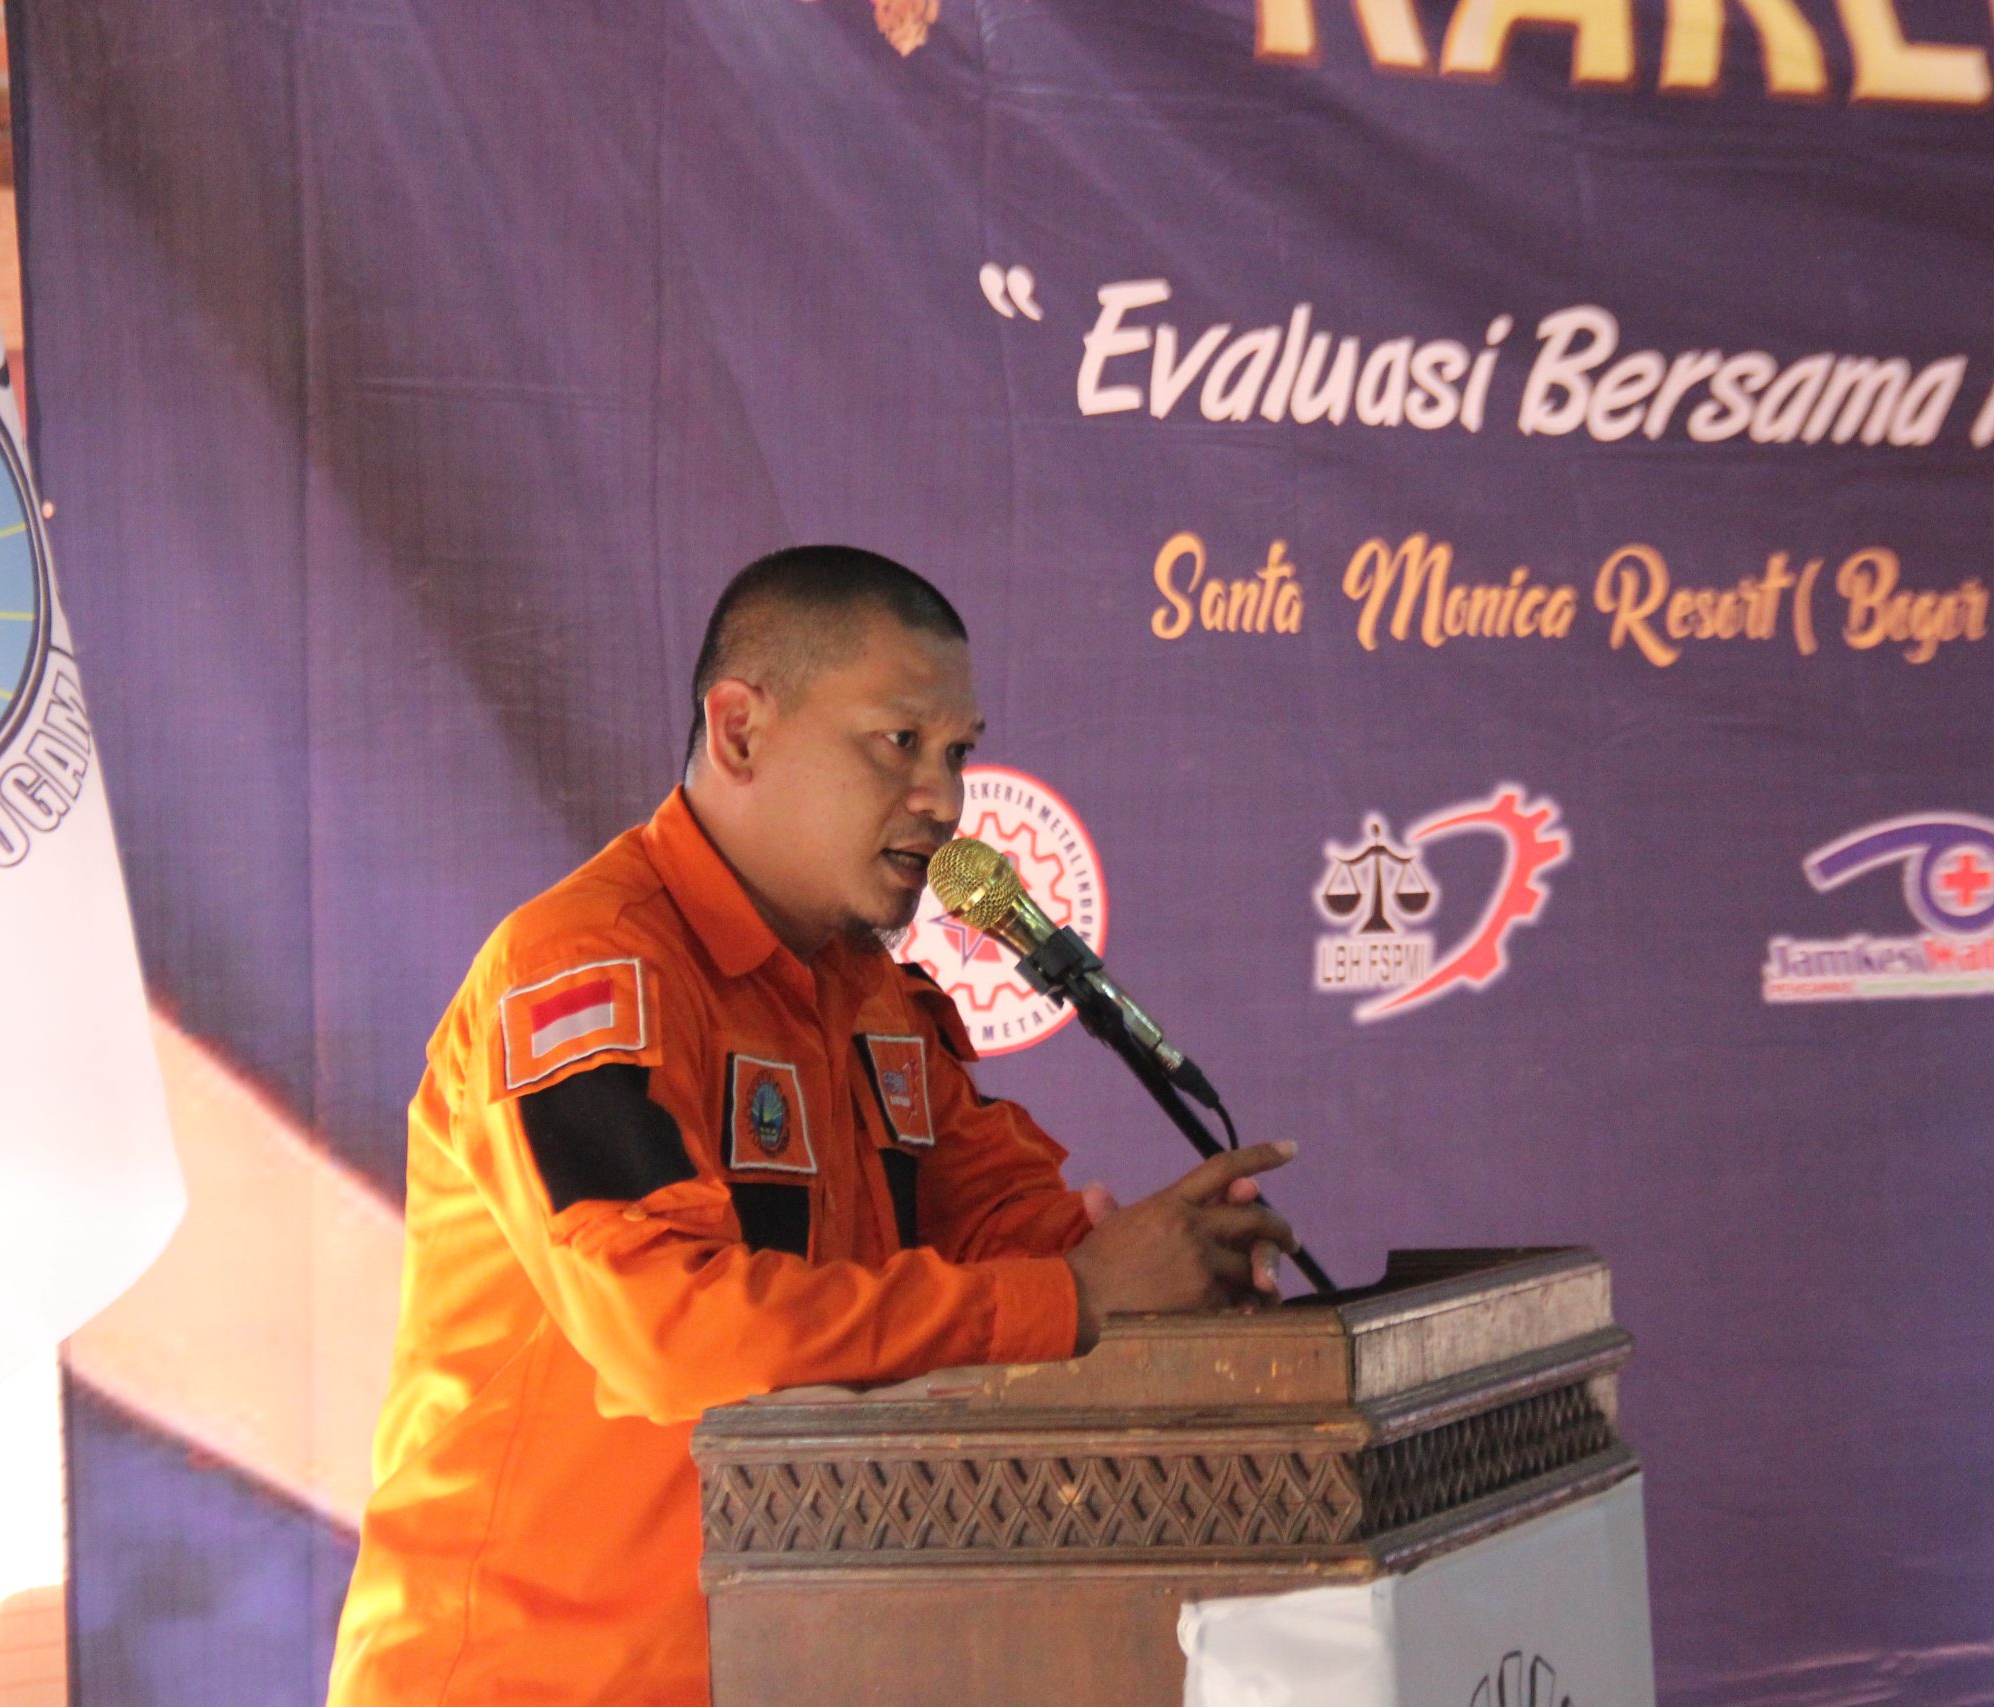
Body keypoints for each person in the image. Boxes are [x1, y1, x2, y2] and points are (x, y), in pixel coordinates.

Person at [326, 545, 1298, 1706]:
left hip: (791, 1663)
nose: (943, 800)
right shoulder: (584, 969)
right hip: (538, 1682)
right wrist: (1076, 1296)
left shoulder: (874, 994)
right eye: (898, 742)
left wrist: (1167, 1262)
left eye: (957, 753)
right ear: (739, 731)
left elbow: (1000, 1225)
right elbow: (670, 1332)